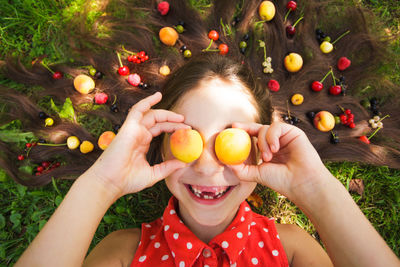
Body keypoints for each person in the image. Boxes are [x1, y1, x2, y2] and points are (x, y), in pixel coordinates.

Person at [1, 0, 399, 266]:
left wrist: (315, 189)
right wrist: (101, 183)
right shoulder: (123, 253)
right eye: (187, 136)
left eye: (231, 141)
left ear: (262, 152)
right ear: (158, 148)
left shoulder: (291, 248)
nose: (208, 167)